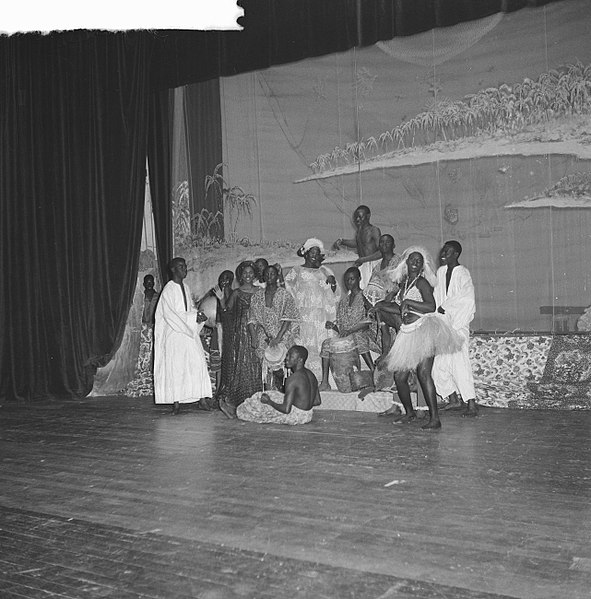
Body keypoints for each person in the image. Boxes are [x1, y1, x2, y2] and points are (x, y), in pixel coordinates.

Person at [384, 247, 462, 430]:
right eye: (412, 259)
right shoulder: (403, 283)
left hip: (424, 330)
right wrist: (380, 306)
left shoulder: (422, 283)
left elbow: (431, 306)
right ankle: (409, 413)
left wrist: (408, 303)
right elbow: (400, 308)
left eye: (419, 261)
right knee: (400, 376)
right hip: (408, 331)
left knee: (423, 373)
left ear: (422, 266)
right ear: (406, 263)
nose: (415, 263)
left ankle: (435, 419)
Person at [153, 258, 212, 415]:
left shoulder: (185, 287)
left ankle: (201, 399)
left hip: (188, 333)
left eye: (185, 266)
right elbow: (170, 315)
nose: (184, 268)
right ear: (173, 269)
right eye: (181, 266)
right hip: (175, 334)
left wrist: (198, 316)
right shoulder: (168, 290)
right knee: (177, 367)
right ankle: (176, 402)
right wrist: (192, 317)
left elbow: (190, 308)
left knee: (198, 362)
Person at [432, 240, 478, 417]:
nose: (443, 253)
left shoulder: (463, 273)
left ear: (456, 254)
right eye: (443, 250)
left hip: (458, 325)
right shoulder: (440, 272)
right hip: (443, 324)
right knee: (438, 366)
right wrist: (438, 314)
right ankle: (453, 399)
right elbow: (436, 297)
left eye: (448, 251)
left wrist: (447, 307)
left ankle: (471, 404)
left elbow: (468, 299)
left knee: (460, 364)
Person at [284, 238, 341, 380]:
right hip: (304, 317)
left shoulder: (325, 270)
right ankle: (305, 380)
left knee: (322, 346)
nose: (315, 255)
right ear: (306, 254)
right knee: (305, 345)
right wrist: (296, 308)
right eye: (312, 252)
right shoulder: (296, 270)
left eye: (317, 253)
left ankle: (324, 380)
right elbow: (287, 288)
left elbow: (334, 293)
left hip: (321, 317)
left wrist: (333, 285)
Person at [218, 261, 262, 418]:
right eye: (245, 273)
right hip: (240, 333)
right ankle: (235, 401)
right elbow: (226, 312)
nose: (248, 276)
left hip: (257, 330)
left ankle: (254, 399)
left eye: (251, 273)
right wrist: (221, 299)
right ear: (240, 275)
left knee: (255, 365)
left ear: (255, 274)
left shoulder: (260, 291)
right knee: (239, 365)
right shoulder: (236, 293)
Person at [319, 267, 374, 391]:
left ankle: (374, 373)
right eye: (346, 280)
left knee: (358, 338)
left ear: (359, 278)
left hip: (363, 333)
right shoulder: (343, 302)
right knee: (326, 344)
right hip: (348, 335)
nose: (349, 282)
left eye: (352, 279)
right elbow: (342, 328)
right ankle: (324, 382)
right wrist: (334, 327)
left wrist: (351, 331)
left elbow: (369, 321)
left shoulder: (366, 297)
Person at [236, 345, 321, 425]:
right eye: (287, 355)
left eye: (291, 357)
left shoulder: (293, 379)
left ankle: (236, 412)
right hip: (308, 414)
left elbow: (286, 410)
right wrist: (301, 403)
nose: (286, 359)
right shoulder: (311, 375)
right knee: (272, 394)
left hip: (296, 417)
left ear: (300, 360)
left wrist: (269, 402)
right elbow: (317, 401)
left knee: (260, 401)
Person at [248, 264, 300, 391]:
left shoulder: (285, 295)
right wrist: (254, 337)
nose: (269, 276)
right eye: (266, 274)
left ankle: (284, 396)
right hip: (263, 337)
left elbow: (288, 319)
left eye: (272, 274)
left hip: (281, 336)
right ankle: (270, 396)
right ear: (263, 277)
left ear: (277, 276)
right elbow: (252, 319)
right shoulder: (257, 296)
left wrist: (277, 338)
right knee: (266, 370)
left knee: (281, 369)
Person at [197, 270, 234, 396]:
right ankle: (218, 391)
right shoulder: (213, 294)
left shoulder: (234, 295)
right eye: (222, 279)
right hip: (218, 331)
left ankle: (228, 392)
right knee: (218, 364)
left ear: (231, 281)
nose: (224, 281)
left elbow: (230, 313)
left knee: (228, 363)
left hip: (229, 332)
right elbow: (203, 309)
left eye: (227, 279)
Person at [125, 274, 159, 397]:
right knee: (140, 355)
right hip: (141, 330)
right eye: (147, 282)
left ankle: (151, 378)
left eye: (151, 282)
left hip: (153, 329)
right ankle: (139, 376)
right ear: (144, 284)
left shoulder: (158, 296)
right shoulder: (139, 296)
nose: (149, 284)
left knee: (152, 354)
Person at [334, 205, 382, 289]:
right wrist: (342, 241)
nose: (357, 220)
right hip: (363, 265)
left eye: (360, 217)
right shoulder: (359, 231)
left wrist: (364, 259)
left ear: (368, 216)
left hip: (374, 266)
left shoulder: (374, 230)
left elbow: (382, 252)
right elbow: (358, 243)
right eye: (356, 217)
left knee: (371, 292)